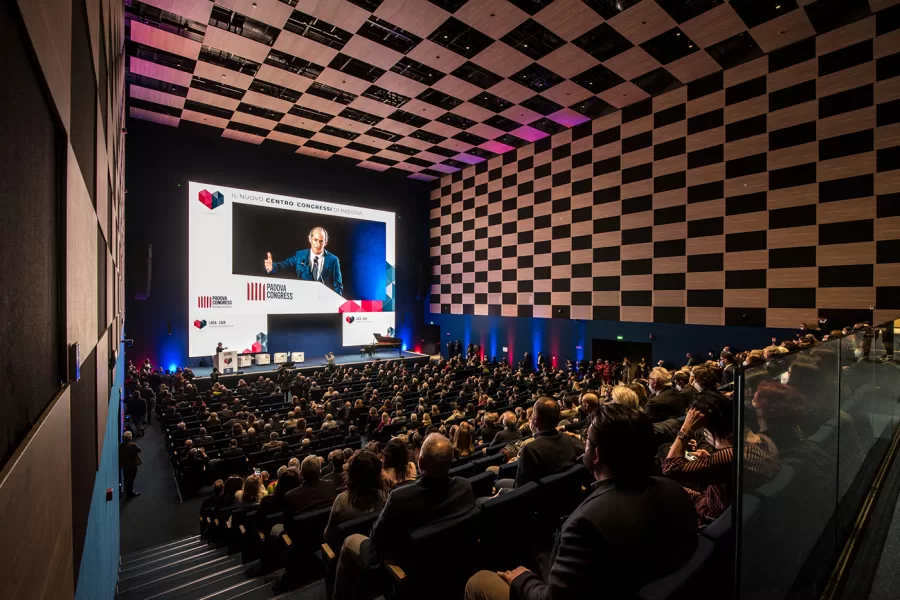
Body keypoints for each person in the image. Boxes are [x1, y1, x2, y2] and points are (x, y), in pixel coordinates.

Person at [464, 404, 698, 600]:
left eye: (586, 441)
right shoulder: (675, 490)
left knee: (478, 581)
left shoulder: (586, 525)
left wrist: (523, 580)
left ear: (596, 455)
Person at [332, 434, 475, 600]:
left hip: (410, 568)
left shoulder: (400, 497)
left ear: (419, 462)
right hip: (447, 565)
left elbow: (376, 539)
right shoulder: (464, 487)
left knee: (350, 540)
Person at [663, 391, 779, 525]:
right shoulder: (765, 440)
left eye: (705, 432)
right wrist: (712, 458)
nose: (705, 436)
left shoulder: (731, 456)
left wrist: (686, 430)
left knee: (663, 487)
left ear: (717, 432)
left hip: (711, 514)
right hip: (732, 506)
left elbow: (670, 468)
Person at [501, 397, 584, 490]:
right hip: (567, 492)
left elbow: (521, 489)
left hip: (540, 498)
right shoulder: (568, 438)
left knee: (499, 484)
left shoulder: (530, 449)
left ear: (535, 419)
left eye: (532, 416)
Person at [324, 450, 388, 549]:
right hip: (375, 547)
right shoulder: (385, 495)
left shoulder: (342, 501)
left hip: (347, 554)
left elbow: (328, 536)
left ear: (351, 473)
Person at [264, 226, 343, 295]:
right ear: (310, 239)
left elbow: (338, 286)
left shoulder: (333, 260)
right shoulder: (299, 255)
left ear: (325, 242)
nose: (318, 244)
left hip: (324, 303)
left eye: (321, 241)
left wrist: (333, 303)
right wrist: (272, 267)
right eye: (315, 240)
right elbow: (282, 265)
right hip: (303, 301)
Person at [119, 430, 142, 498]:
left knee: (126, 479)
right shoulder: (132, 445)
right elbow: (139, 450)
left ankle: (127, 492)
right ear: (130, 438)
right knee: (131, 479)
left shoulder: (120, 446)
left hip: (124, 466)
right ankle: (130, 493)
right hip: (132, 465)